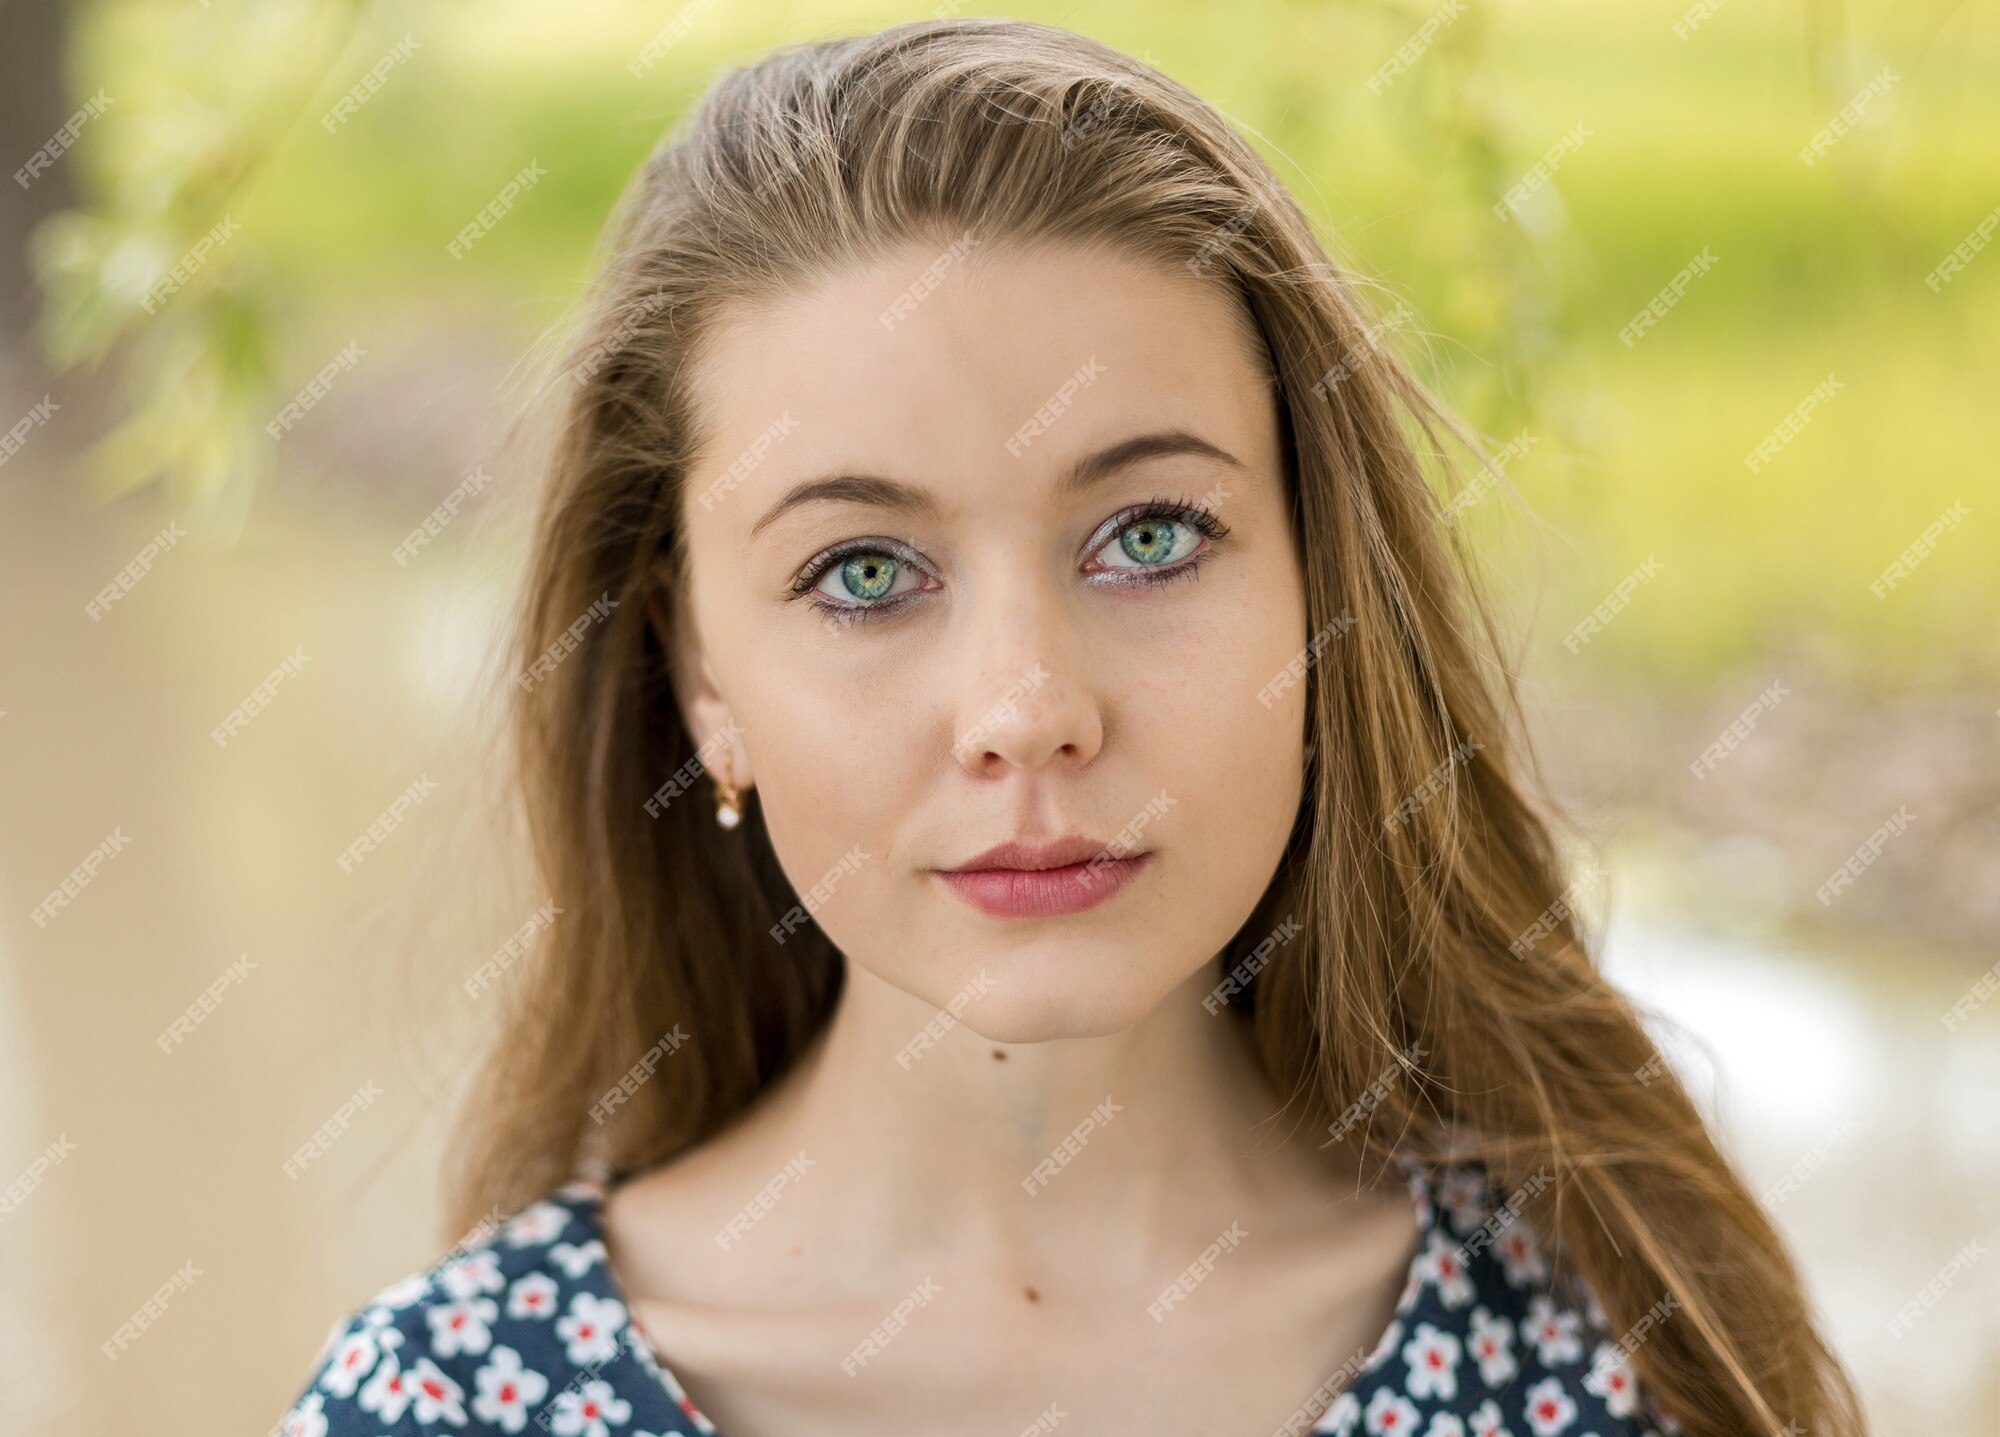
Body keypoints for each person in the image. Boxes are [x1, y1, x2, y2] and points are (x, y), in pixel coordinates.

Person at [276, 18, 1864, 1437]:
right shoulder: (447, 1406)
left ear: (1323, 591)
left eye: (1152, 536)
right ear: (696, 674)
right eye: (867, 572)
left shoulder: (1619, 1356)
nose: (1029, 712)